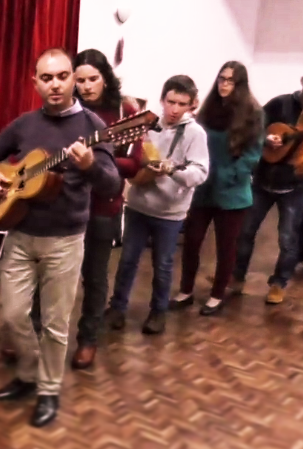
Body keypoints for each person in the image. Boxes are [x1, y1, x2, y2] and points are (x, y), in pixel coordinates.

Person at [0, 48, 119, 427]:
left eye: (62, 76)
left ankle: (48, 389)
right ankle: (27, 374)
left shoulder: (93, 127)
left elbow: (112, 183)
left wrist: (89, 166)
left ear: (72, 78)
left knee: (55, 324)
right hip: (21, 234)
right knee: (13, 314)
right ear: (35, 82)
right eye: (47, 77)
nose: (55, 84)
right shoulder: (24, 124)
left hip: (65, 240)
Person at [105, 75, 209, 333]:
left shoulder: (196, 134)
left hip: (169, 212)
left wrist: (172, 170)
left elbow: (200, 173)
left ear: (191, 105)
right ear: (162, 100)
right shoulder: (148, 124)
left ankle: (158, 312)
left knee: (162, 265)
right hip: (138, 205)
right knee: (127, 260)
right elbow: (129, 155)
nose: (174, 109)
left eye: (181, 104)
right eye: (170, 101)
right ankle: (117, 307)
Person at [66, 49, 143, 368]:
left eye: (92, 79)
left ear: (105, 77)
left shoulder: (125, 110)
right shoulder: (67, 109)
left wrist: (95, 163)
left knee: (95, 278)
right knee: (53, 274)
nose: (86, 86)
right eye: (79, 80)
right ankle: (33, 332)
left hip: (104, 206)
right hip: (66, 204)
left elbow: (135, 163)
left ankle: (88, 340)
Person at [170, 62, 264, 315]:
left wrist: (230, 175)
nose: (224, 84)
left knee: (226, 246)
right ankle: (186, 291)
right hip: (204, 188)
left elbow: (253, 155)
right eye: (222, 78)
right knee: (191, 241)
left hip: (232, 193)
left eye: (231, 80)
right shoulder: (208, 109)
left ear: (240, 84)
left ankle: (216, 295)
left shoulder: (253, 113)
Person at [232, 77, 303, 304]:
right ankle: (236, 276)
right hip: (263, 180)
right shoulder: (280, 104)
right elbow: (252, 128)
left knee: (288, 238)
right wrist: (265, 139)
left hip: (295, 186)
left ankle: (279, 283)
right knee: (245, 231)